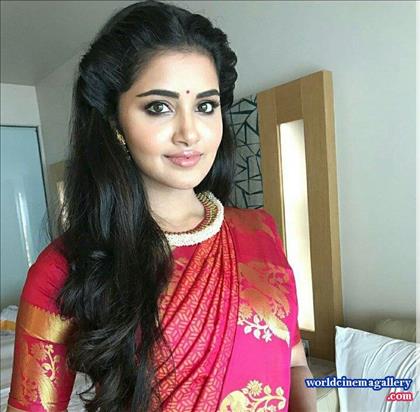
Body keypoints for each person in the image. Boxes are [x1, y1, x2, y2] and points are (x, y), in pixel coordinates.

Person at [7, 1, 317, 411]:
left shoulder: (260, 230)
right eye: (159, 107)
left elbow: (293, 361)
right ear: (115, 122)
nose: (190, 133)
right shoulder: (66, 267)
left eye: (205, 105)